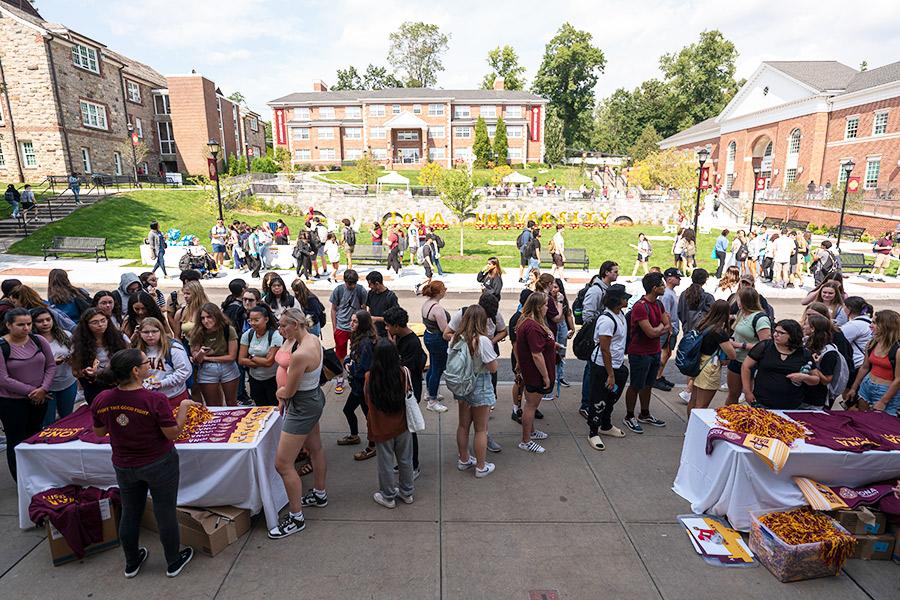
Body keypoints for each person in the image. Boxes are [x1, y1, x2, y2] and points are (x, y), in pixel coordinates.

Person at [90, 348, 196, 577]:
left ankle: (131, 562)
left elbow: (99, 431)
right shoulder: (154, 399)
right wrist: (185, 408)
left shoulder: (102, 398)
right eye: (145, 362)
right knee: (165, 512)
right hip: (159, 462)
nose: (150, 364)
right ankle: (173, 560)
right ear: (136, 371)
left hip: (124, 464)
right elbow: (172, 433)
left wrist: (121, 424)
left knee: (130, 511)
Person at [269, 307, 328, 539]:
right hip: (314, 398)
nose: (280, 329)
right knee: (315, 448)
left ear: (296, 325)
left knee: (283, 464)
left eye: (284, 325)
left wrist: (278, 394)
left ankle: (296, 518)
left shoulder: (300, 354)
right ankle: (319, 493)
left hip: (302, 406)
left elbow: (289, 391)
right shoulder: (313, 339)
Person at [0, 308, 55, 479]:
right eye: (20, 324)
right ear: (8, 325)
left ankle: (37, 474)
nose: (26, 328)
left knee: (35, 435)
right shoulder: (2, 346)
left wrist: (44, 389)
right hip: (12, 402)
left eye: (29, 324)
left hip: (40, 399)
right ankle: (21, 479)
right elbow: (3, 379)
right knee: (16, 440)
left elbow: (51, 366)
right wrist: (33, 391)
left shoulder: (38, 340)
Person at [365, 339, 417, 507]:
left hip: (381, 427)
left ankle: (388, 496)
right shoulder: (403, 373)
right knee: (405, 460)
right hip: (402, 424)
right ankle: (407, 492)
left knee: (385, 464)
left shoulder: (370, 377)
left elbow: (367, 401)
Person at [449, 305, 498, 478]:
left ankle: (464, 459)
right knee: (480, 429)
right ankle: (481, 466)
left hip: (462, 386)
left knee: (463, 425)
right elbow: (492, 368)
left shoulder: (456, 338)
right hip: (479, 385)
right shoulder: (482, 341)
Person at [623, 272, 670, 433]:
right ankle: (629, 416)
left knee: (648, 385)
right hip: (639, 353)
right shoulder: (640, 307)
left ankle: (644, 413)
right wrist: (660, 329)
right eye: (662, 285)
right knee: (636, 385)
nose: (664, 287)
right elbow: (651, 332)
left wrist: (659, 329)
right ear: (654, 288)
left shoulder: (659, 304)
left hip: (654, 351)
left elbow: (667, 325)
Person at [383, 306, 426, 477]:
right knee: (403, 430)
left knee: (410, 430)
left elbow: (404, 369)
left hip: (410, 390)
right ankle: (404, 463)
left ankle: (413, 465)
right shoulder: (400, 337)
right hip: (403, 389)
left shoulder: (411, 342)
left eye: (388, 325)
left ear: (396, 325)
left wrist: (393, 350)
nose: (386, 328)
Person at [587, 285, 630, 450]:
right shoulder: (606, 320)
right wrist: (610, 375)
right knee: (598, 399)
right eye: (624, 297)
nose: (627, 299)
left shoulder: (620, 315)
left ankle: (606, 425)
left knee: (612, 398)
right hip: (603, 367)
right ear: (616, 300)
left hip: (617, 365)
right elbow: (605, 350)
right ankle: (593, 431)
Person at [514, 292, 555, 453]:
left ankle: (531, 432)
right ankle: (526, 441)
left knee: (531, 404)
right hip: (535, 373)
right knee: (531, 405)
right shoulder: (532, 326)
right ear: (538, 307)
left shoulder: (529, 322)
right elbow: (536, 354)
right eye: (545, 305)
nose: (547, 308)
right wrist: (545, 376)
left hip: (531, 371)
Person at [742, 319, 815, 410]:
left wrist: (804, 377)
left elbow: (816, 379)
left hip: (792, 405)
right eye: (775, 331)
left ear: (792, 335)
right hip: (762, 402)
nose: (775, 334)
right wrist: (747, 391)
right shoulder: (764, 346)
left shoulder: (804, 354)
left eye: (781, 333)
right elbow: (746, 366)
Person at [578, 260, 620, 417]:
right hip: (595, 338)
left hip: (602, 336)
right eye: (614, 271)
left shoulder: (606, 289)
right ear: (606, 272)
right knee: (591, 371)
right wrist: (602, 322)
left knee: (595, 371)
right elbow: (587, 315)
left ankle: (592, 402)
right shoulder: (596, 291)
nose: (617, 274)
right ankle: (585, 404)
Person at [687, 300, 737, 414]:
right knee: (702, 405)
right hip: (710, 366)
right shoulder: (719, 331)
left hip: (698, 363)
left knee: (693, 400)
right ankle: (695, 430)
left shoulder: (702, 324)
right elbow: (732, 355)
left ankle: (690, 428)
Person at [340, 310, 378, 460]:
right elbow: (354, 357)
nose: (351, 323)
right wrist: (348, 361)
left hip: (363, 387)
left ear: (362, 323)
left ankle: (372, 446)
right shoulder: (358, 338)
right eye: (351, 320)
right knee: (349, 410)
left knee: (368, 417)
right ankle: (354, 435)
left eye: (355, 321)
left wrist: (351, 368)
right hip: (357, 386)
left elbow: (364, 367)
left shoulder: (366, 342)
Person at [847, 309, 900, 415]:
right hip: (866, 385)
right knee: (863, 419)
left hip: (887, 390)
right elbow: (865, 367)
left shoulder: (898, 350)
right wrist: (853, 388)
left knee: (883, 426)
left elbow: (898, 379)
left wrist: (883, 401)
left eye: (875, 323)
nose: (870, 325)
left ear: (886, 326)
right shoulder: (872, 343)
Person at [30, 307, 76, 427]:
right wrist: (50, 363)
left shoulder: (66, 335)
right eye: (40, 321)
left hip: (68, 382)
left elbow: (75, 355)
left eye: (48, 319)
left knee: (67, 419)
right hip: (45, 386)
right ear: (33, 323)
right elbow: (28, 366)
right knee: (48, 422)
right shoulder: (31, 340)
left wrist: (72, 359)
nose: (45, 323)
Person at [724, 287, 771, 406]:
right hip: (736, 359)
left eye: (738, 300)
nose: (736, 302)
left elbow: (765, 345)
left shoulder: (761, 319)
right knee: (733, 393)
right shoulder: (742, 313)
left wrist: (740, 345)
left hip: (751, 363)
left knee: (749, 395)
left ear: (745, 301)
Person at [72, 307, 128, 405]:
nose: (100, 325)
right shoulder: (78, 343)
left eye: (103, 320)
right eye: (95, 322)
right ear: (86, 325)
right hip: (93, 386)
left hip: (117, 382)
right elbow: (75, 371)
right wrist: (86, 372)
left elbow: (129, 357)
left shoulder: (120, 337)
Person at [133, 316, 191, 409]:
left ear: (161, 331)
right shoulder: (137, 350)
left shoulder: (173, 348)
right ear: (140, 333)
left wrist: (162, 383)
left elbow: (184, 371)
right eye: (146, 332)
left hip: (174, 397)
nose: (150, 335)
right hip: (149, 398)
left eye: (154, 331)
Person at [189, 303, 239, 406]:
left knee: (231, 402)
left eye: (209, 317)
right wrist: (201, 354)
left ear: (216, 316)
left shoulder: (228, 329)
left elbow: (232, 356)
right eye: (202, 318)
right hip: (207, 370)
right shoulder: (197, 332)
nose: (206, 321)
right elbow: (196, 359)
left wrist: (207, 358)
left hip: (228, 367)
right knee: (213, 405)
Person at [676, 269, 715, 403]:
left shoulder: (683, 294)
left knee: (691, 360)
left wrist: (686, 325)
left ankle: (689, 389)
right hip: (701, 333)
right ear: (705, 280)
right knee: (700, 361)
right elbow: (712, 315)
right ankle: (690, 389)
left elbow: (680, 312)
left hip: (688, 332)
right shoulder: (708, 297)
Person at [329, 269, 368, 395]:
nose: (351, 286)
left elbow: (364, 308)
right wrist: (335, 327)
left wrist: (362, 325)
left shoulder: (361, 290)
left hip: (356, 327)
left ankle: (355, 374)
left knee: (357, 352)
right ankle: (340, 376)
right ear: (344, 281)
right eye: (349, 283)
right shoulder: (339, 290)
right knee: (340, 353)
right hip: (341, 326)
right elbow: (333, 309)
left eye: (353, 283)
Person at [238, 305, 282, 407]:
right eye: (250, 320)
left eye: (256, 320)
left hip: (272, 380)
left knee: (274, 408)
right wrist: (259, 361)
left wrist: (251, 357)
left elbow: (269, 362)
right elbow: (241, 360)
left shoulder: (275, 336)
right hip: (255, 380)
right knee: (260, 408)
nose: (253, 323)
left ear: (266, 319)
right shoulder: (247, 335)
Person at [420, 281, 450, 413]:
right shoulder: (437, 309)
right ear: (439, 292)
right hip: (438, 340)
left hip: (428, 336)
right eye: (444, 288)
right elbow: (445, 331)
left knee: (433, 366)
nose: (446, 290)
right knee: (437, 369)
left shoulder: (427, 304)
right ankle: (432, 401)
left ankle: (429, 392)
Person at [802, 312, 842, 408]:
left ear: (813, 329)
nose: (803, 326)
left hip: (814, 399)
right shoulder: (807, 343)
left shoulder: (829, 352)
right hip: (801, 394)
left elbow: (826, 381)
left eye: (806, 324)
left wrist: (814, 365)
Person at [654, 268, 682, 392]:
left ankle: (659, 375)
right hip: (668, 329)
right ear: (669, 279)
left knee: (668, 353)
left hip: (672, 328)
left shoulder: (670, 292)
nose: (679, 279)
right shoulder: (666, 294)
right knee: (664, 353)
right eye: (677, 277)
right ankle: (656, 377)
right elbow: (665, 314)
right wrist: (669, 329)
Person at [841, 296, 874, 389]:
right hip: (867, 363)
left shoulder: (855, 325)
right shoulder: (868, 320)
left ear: (849, 309)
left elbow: (838, 339)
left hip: (858, 365)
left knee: (850, 395)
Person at [554, 278, 575, 394]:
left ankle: (560, 376)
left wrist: (572, 328)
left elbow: (568, 314)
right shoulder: (549, 299)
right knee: (551, 352)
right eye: (552, 287)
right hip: (552, 326)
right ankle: (552, 376)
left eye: (556, 287)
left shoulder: (562, 299)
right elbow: (556, 315)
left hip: (562, 326)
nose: (554, 289)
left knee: (561, 352)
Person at [364, 271, 399, 339]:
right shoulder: (371, 293)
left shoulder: (390, 297)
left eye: (370, 284)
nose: (369, 287)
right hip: (372, 333)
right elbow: (370, 309)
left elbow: (395, 318)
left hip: (385, 334)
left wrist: (377, 319)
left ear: (377, 284)